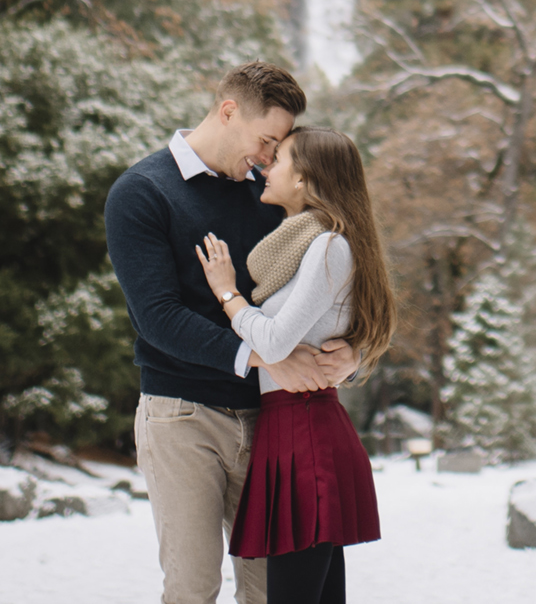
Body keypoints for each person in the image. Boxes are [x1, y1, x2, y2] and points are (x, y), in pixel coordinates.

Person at [106, 63, 361, 604]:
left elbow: (333, 285)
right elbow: (159, 317)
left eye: (278, 147)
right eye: (266, 140)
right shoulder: (141, 193)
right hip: (182, 416)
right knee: (193, 587)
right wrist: (263, 357)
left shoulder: (272, 197)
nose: (270, 157)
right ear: (228, 112)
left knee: (270, 590)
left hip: (272, 422)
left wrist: (354, 353)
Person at [196, 128, 393, 604]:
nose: (266, 166)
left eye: (279, 159)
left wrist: (229, 295)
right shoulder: (304, 247)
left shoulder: (329, 245)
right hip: (290, 430)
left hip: (305, 435)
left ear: (305, 178)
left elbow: (279, 342)